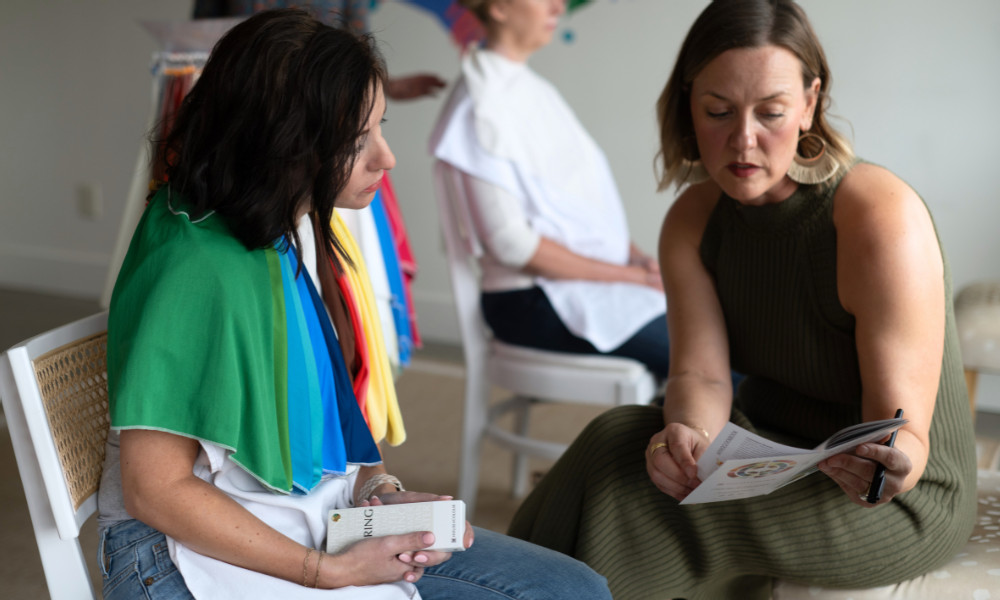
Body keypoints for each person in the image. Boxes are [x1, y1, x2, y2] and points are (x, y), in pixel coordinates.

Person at [96, 9, 612, 600]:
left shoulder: (283, 228)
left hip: (292, 513)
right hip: (170, 552)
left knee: (576, 589)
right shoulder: (194, 268)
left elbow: (329, 416)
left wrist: (378, 496)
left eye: (379, 128)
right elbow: (153, 490)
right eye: (356, 142)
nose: (385, 159)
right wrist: (329, 572)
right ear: (283, 142)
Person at [506, 1, 978, 598]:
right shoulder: (692, 220)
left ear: (810, 102)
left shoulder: (878, 217)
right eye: (718, 111)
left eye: (772, 112)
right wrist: (687, 440)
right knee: (615, 441)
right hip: (769, 446)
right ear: (688, 105)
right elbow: (701, 375)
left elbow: (899, 432)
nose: (743, 140)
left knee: (635, 512)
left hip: (889, 498)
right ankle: (507, 586)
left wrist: (891, 461)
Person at [428, 0, 671, 379]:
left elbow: (585, 207)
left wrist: (636, 259)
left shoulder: (533, 90)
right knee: (708, 358)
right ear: (498, 8)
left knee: (718, 334)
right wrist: (633, 277)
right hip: (529, 303)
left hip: (576, 289)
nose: (558, 5)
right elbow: (511, 243)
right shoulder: (481, 104)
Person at [192, 0, 447, 101]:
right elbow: (197, 38)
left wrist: (386, 86)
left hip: (319, 109)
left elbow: (358, 49)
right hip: (239, 103)